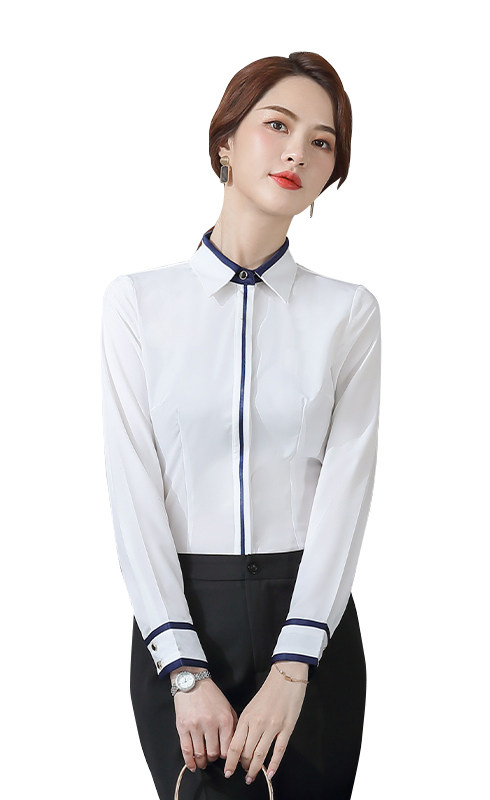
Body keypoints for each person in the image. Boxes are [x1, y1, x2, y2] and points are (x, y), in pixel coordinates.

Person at [101, 51, 381, 800]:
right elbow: (134, 491)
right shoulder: (138, 304)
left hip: (312, 625)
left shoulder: (348, 314)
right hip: (184, 622)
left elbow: (346, 496)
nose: (298, 153)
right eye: (277, 125)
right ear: (225, 140)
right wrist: (181, 667)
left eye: (322, 142)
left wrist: (295, 667)